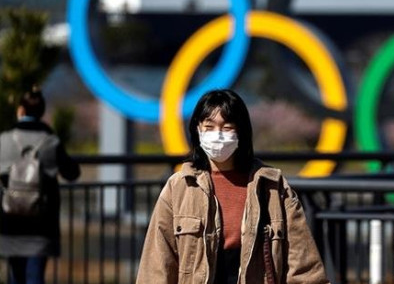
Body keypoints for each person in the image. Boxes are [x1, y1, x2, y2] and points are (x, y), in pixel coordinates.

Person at [137, 89, 328, 284]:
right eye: (209, 127)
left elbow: (303, 266)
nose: (217, 135)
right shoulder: (179, 187)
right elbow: (157, 266)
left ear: (241, 132)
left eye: (227, 127)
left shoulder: (272, 187)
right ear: (197, 129)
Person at [0, 87, 80, 284]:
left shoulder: (5, 139)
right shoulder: (51, 141)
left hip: (11, 219)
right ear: (42, 112)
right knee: (35, 276)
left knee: (16, 277)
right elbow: (72, 173)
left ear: (21, 110)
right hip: (42, 223)